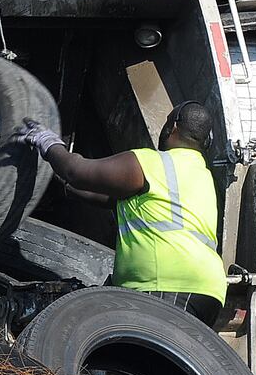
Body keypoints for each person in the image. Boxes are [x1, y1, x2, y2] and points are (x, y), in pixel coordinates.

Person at [14, 100, 226, 326]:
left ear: (173, 126)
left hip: (166, 286)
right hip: (207, 292)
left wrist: (47, 142)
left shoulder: (152, 162)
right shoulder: (201, 175)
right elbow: (116, 200)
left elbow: (76, 170)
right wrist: (64, 184)